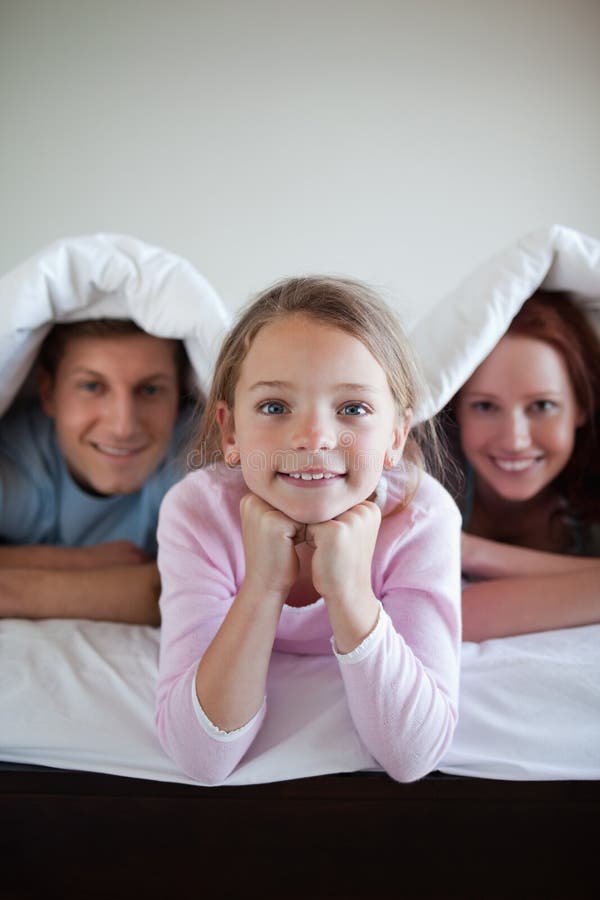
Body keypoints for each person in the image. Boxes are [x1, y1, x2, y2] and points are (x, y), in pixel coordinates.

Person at [155, 275, 462, 785]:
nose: (314, 438)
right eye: (275, 407)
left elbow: (413, 756)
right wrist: (262, 585)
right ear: (230, 431)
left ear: (395, 436)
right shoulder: (197, 511)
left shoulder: (423, 517)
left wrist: (350, 592)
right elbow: (201, 759)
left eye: (353, 409)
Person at [0, 318, 193, 625]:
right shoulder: (17, 465)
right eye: (92, 386)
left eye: (150, 389)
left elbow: (195, 593)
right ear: (48, 393)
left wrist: (10, 589)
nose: (123, 427)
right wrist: (82, 561)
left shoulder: (194, 458)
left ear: (179, 395)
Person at [446, 289, 600, 642]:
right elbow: (446, 617)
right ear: (458, 411)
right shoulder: (429, 479)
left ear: (581, 406)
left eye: (542, 406)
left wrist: (473, 552)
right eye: (485, 406)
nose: (514, 440)